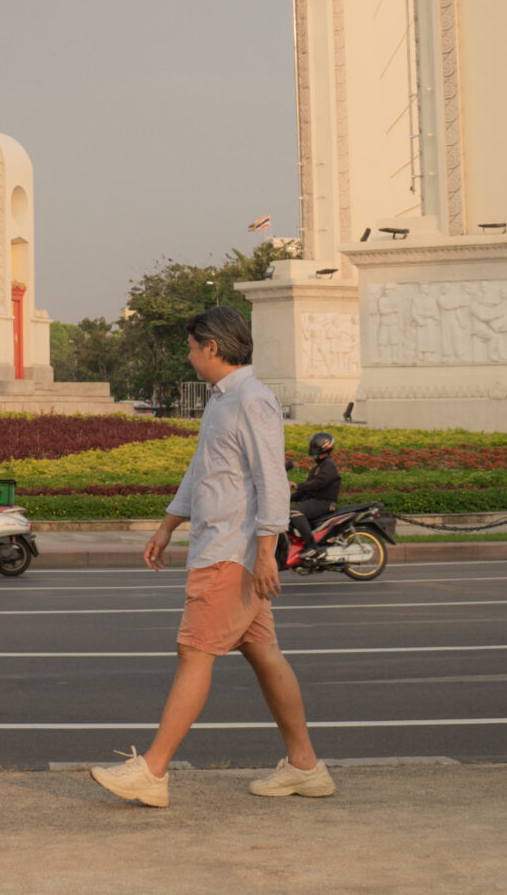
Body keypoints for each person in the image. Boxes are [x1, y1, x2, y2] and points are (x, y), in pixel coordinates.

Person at [92, 306, 328, 808]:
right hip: (223, 548)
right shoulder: (223, 401)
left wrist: (265, 552)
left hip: (230, 552)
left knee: (194, 653)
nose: (189, 355)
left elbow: (272, 480)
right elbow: (202, 469)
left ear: (212, 348)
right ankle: (306, 767)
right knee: (264, 653)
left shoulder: (252, 400)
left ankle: (152, 771)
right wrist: (168, 525)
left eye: (191, 347)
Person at [284, 432, 341, 555]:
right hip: (315, 502)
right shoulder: (317, 468)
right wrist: (286, 498)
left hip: (325, 503)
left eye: (315, 448)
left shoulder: (329, 465)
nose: (312, 451)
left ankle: (312, 546)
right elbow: (306, 489)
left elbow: (319, 482)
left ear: (324, 448)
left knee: (294, 513)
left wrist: (297, 485)